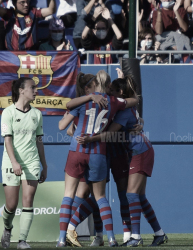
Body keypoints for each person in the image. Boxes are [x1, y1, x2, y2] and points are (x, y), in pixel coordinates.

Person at [76, 76, 168, 247]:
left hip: (140, 151)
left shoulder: (123, 110)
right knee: (138, 196)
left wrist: (91, 138)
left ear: (120, 92)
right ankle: (159, 233)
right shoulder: (120, 106)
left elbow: (110, 132)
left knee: (131, 195)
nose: (109, 93)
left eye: (112, 91)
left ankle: (135, 236)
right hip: (136, 151)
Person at [56, 72, 138, 247]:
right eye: (111, 87)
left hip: (81, 151)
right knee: (99, 196)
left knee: (73, 195)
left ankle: (63, 237)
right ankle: (110, 237)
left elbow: (64, 126)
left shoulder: (82, 102)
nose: (112, 90)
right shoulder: (112, 102)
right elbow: (134, 100)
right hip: (99, 152)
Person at [0, 77, 48, 249]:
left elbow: (39, 142)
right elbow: (7, 141)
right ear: (21, 90)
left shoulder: (37, 114)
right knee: (11, 205)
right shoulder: (8, 113)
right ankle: (7, 228)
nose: (36, 90)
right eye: (32, 87)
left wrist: (44, 165)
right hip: (11, 162)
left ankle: (22, 240)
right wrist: (14, 162)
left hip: (32, 162)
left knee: (28, 200)